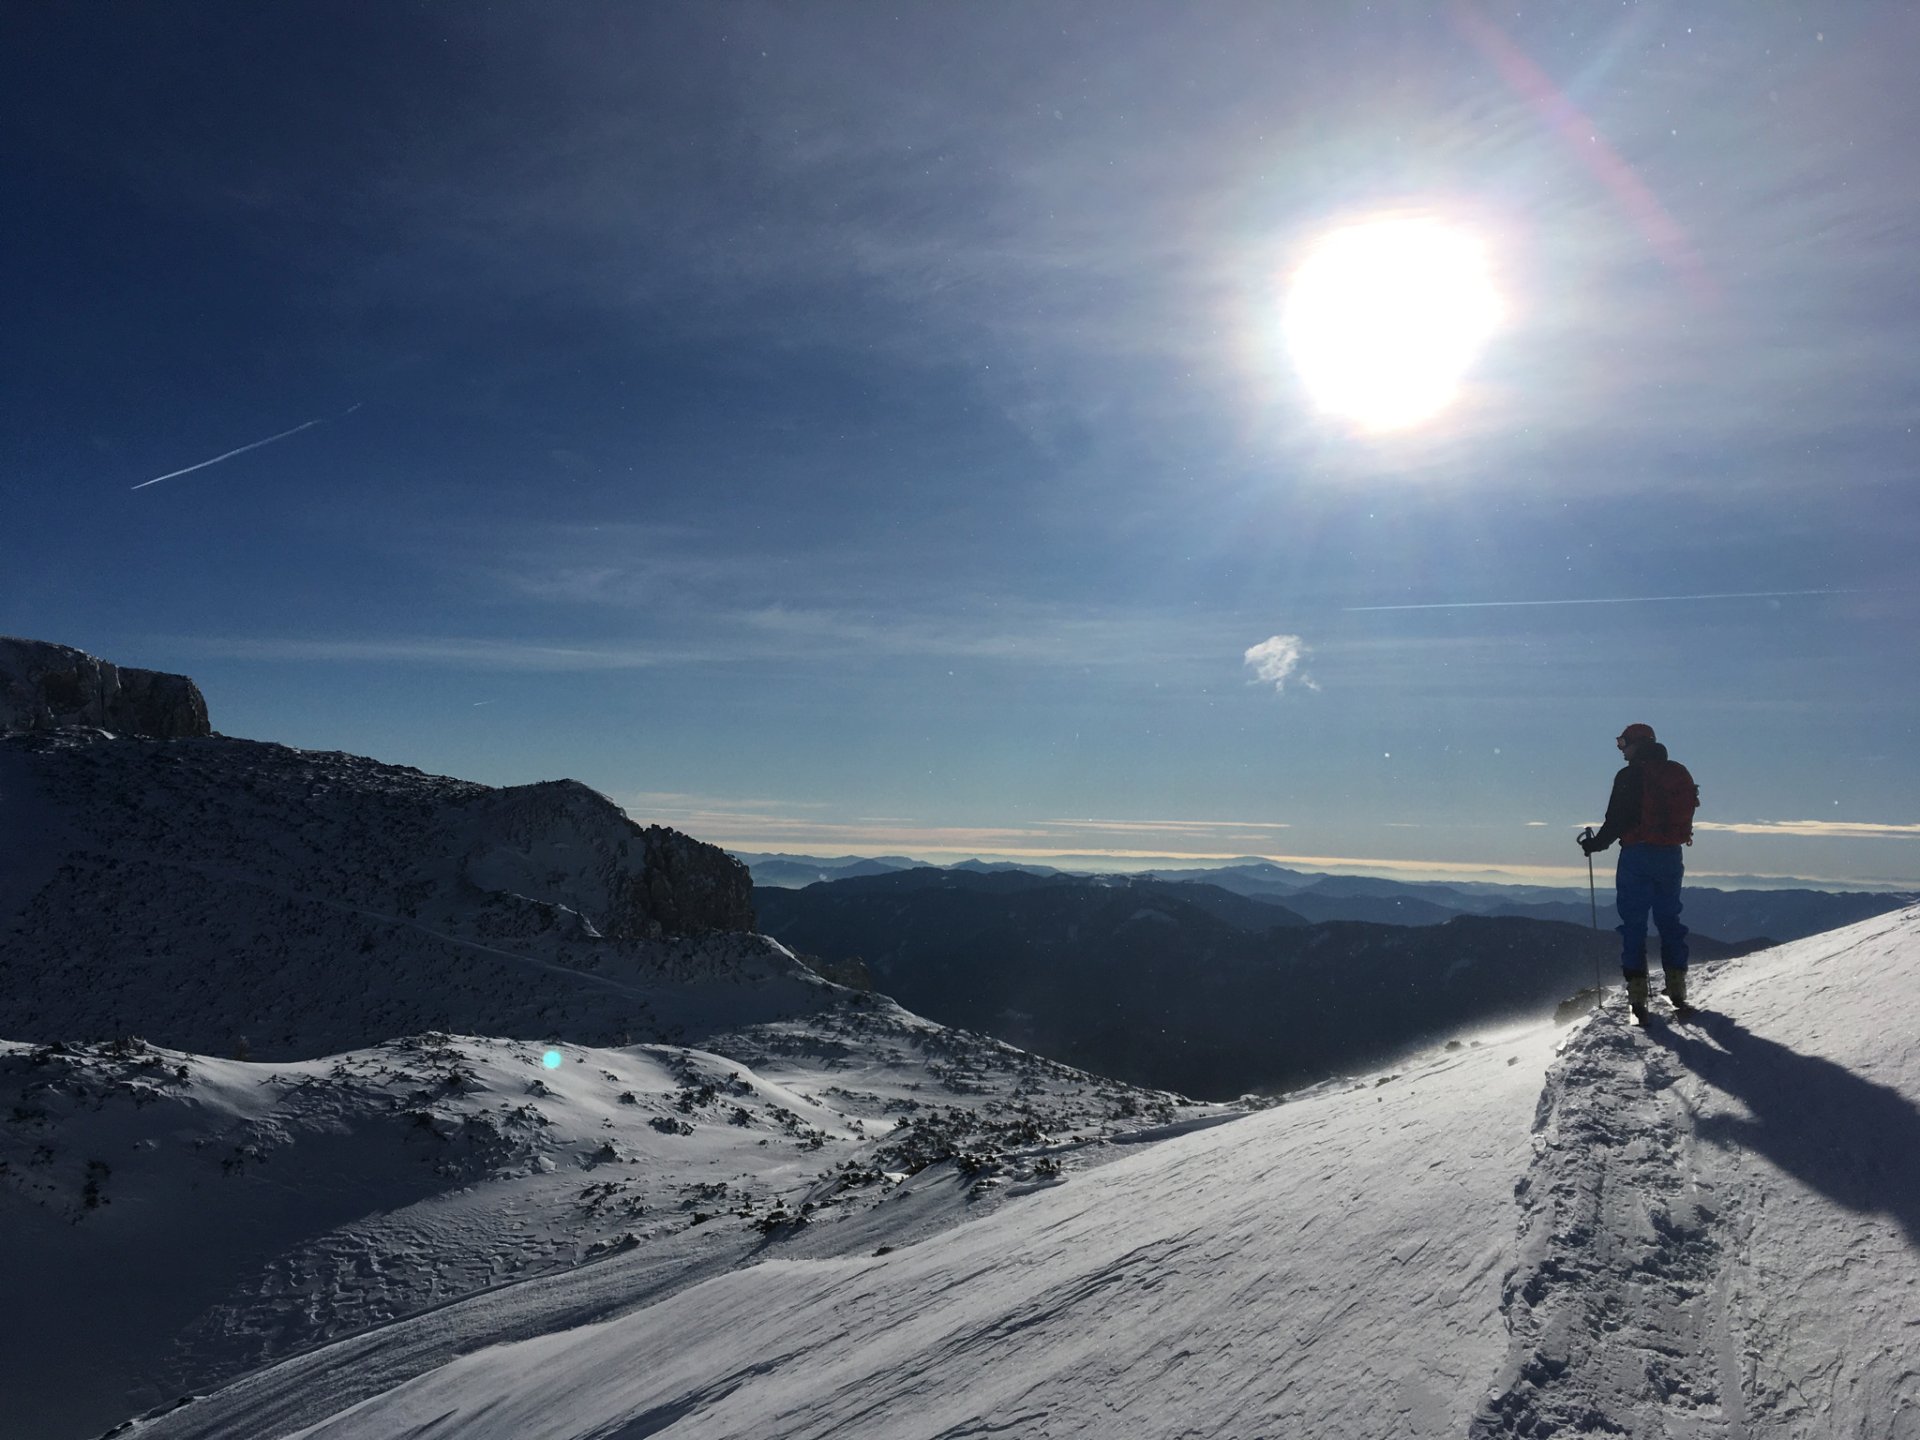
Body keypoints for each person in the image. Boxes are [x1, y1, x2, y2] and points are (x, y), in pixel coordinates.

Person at [1580, 722, 1699, 1022]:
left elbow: (1615, 821)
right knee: (1669, 920)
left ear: (1636, 743)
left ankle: (1637, 998)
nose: (1621, 749)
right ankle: (1676, 989)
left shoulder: (1629, 776)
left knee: (1634, 925)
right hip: (1671, 855)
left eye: (1623, 743)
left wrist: (1594, 845)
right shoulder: (1675, 772)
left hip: (1637, 856)